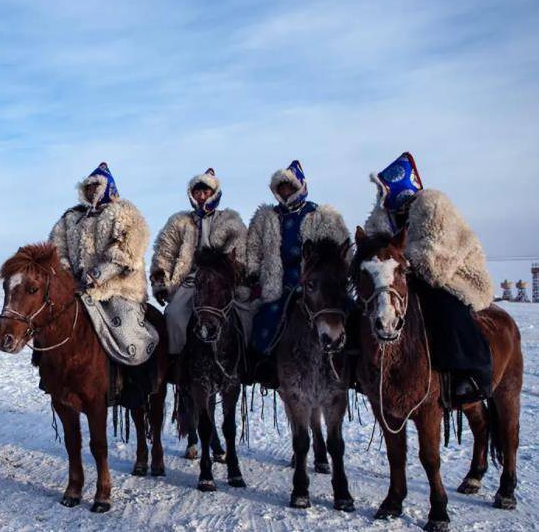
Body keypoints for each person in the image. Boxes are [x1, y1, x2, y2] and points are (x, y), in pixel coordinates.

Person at [364, 152, 494, 406]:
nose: (381, 196)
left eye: (385, 190)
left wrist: (400, 261)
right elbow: (377, 247)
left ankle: (470, 374)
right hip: (407, 276)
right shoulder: (388, 216)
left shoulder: (434, 207)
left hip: (452, 275)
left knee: (446, 309)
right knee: (371, 304)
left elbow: (436, 255)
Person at [245, 161, 348, 387]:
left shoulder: (319, 215)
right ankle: (264, 362)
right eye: (281, 188)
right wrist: (252, 273)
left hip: (314, 277)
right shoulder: (267, 217)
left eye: (289, 187)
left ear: (300, 187)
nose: (285, 192)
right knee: (268, 315)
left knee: (344, 309)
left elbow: (338, 248)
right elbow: (253, 247)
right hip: (278, 279)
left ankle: (349, 359)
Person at [49, 162, 158, 367]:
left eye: (95, 187)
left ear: (106, 188)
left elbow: (127, 252)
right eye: (88, 188)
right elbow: (57, 248)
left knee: (127, 331)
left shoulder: (124, 213)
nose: (91, 192)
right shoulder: (71, 218)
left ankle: (139, 380)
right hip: (77, 288)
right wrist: (67, 276)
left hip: (119, 288)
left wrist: (97, 275)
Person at [151, 168, 247, 355]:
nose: (202, 196)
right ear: (192, 195)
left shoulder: (230, 220)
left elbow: (240, 250)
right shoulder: (180, 221)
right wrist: (160, 284)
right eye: (198, 192)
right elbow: (164, 252)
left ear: (214, 194)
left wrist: (239, 276)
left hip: (221, 279)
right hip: (191, 279)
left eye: (206, 192)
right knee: (174, 314)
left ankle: (246, 357)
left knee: (247, 312)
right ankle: (175, 357)